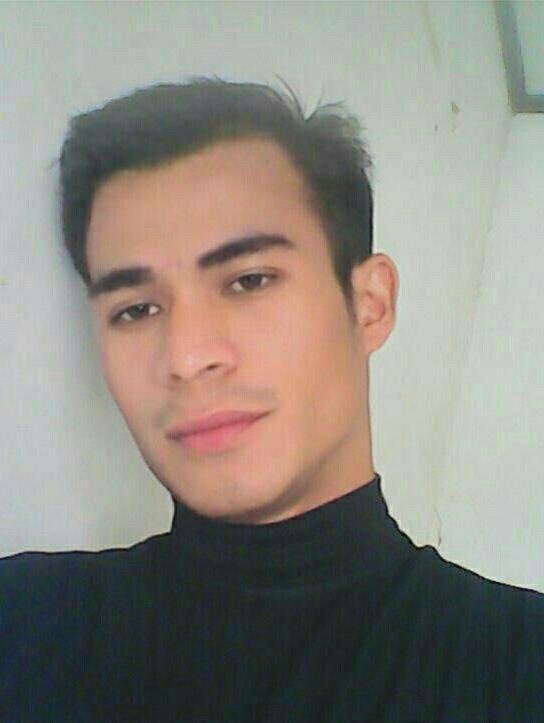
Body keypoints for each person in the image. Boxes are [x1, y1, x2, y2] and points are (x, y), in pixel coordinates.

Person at [1, 77, 543, 723]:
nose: (187, 356)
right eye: (136, 309)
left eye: (249, 280)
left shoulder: (517, 666)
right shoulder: (25, 622)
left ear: (370, 305)